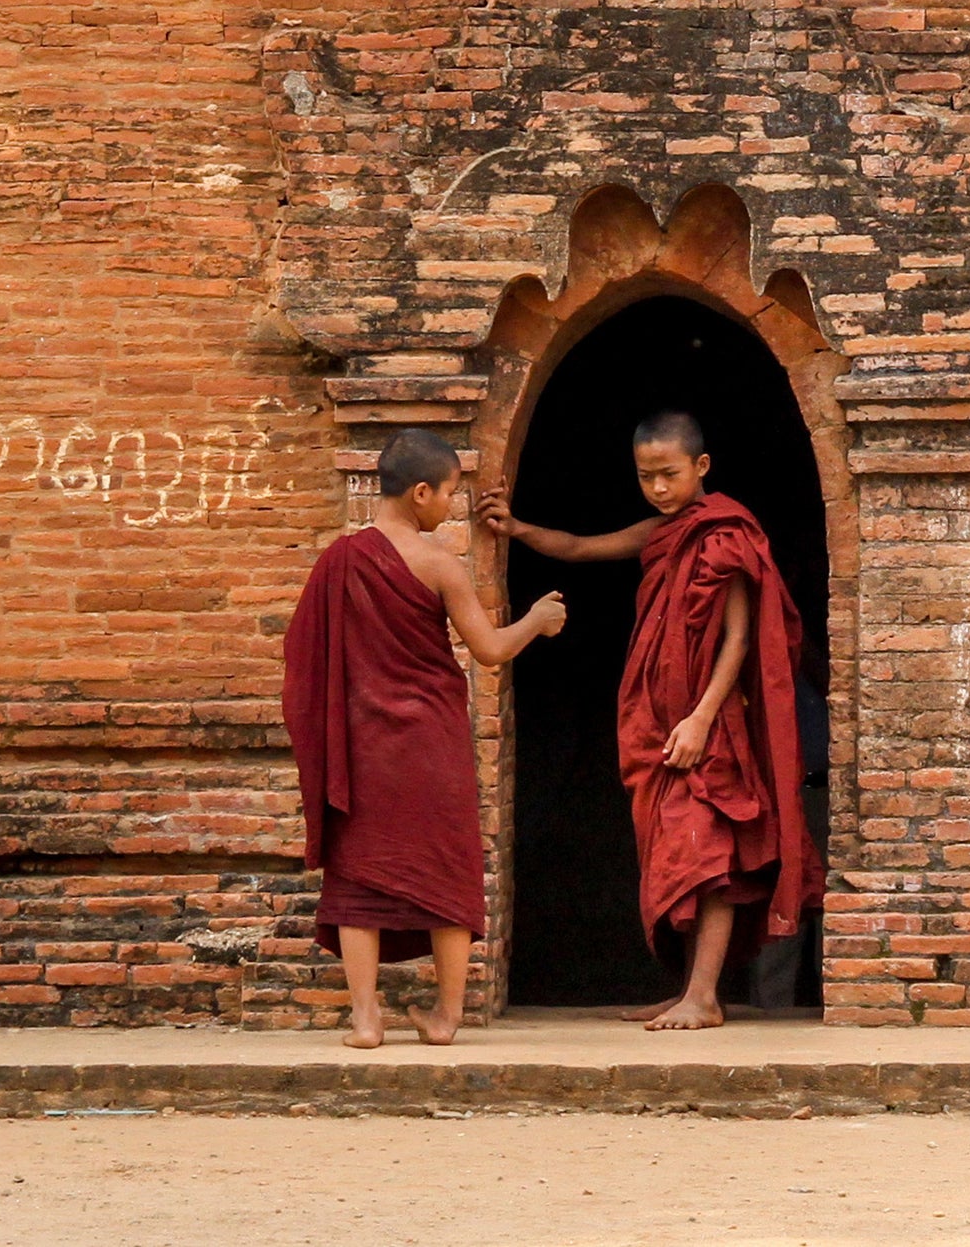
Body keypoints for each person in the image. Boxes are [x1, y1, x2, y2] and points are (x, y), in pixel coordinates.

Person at [486, 407, 819, 1030]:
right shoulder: (661, 532)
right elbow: (582, 547)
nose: (659, 489)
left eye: (669, 474)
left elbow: (739, 641)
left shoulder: (726, 535)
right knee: (684, 857)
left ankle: (704, 996)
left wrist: (699, 719)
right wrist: (517, 529)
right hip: (662, 727)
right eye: (646, 477)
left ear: (702, 467)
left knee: (713, 852)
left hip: (709, 724)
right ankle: (692, 990)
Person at [280, 427, 563, 1048]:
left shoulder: (338, 561)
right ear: (421, 492)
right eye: (452, 495)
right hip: (432, 745)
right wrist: (537, 622)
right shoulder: (439, 565)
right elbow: (489, 650)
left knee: (356, 875)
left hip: (363, 748)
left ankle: (365, 1018)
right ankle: (446, 1017)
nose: (452, 507)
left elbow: (303, 660)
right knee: (446, 870)